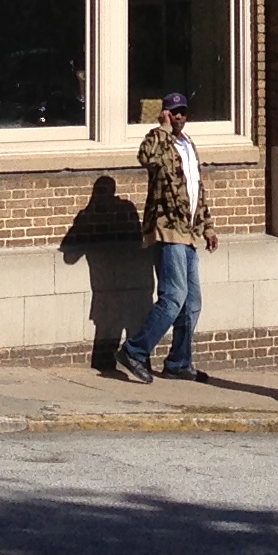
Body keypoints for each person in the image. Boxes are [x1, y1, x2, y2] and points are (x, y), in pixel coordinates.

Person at [113, 90, 219, 384]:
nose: (180, 117)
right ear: (166, 113)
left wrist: (207, 226)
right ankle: (134, 350)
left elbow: (197, 190)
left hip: (188, 231)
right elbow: (144, 157)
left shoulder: (188, 145)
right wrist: (161, 128)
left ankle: (179, 362)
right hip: (167, 228)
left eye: (183, 112)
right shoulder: (159, 141)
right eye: (174, 112)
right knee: (173, 297)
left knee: (192, 302)